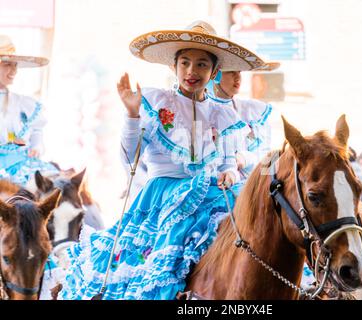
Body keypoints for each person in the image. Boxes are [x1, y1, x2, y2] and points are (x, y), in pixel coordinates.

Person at [59, 21, 266, 300]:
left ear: (215, 72)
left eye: (202, 64)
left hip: (210, 193)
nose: (192, 71)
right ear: (174, 67)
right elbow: (129, 160)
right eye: (185, 63)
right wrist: (132, 114)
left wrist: (229, 173)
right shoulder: (156, 102)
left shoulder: (222, 114)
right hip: (161, 197)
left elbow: (229, 161)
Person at [0, 35, 58, 185]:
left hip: (22, 167)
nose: (13, 71)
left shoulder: (24, 104)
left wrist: (37, 146)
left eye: (15, 65)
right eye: (7, 64)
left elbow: (36, 130)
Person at [205, 63, 277, 178]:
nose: (238, 77)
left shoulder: (253, 111)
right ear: (214, 75)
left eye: (239, 72)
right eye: (231, 71)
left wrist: (246, 158)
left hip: (252, 184)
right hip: (216, 186)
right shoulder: (200, 110)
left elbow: (267, 158)